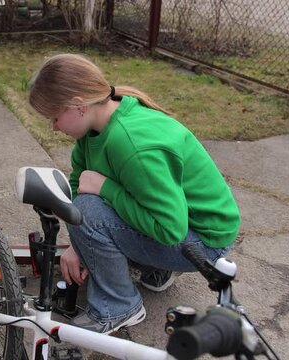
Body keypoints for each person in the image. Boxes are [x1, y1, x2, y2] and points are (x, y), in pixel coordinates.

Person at [27, 53, 240, 334]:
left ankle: (119, 306)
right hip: (187, 223)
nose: (53, 127)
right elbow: (80, 183)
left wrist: (106, 189)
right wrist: (78, 246)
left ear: (78, 105)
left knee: (89, 211)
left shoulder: (131, 145)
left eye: (54, 118)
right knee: (85, 206)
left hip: (203, 245)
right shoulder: (95, 128)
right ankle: (157, 269)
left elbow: (169, 230)